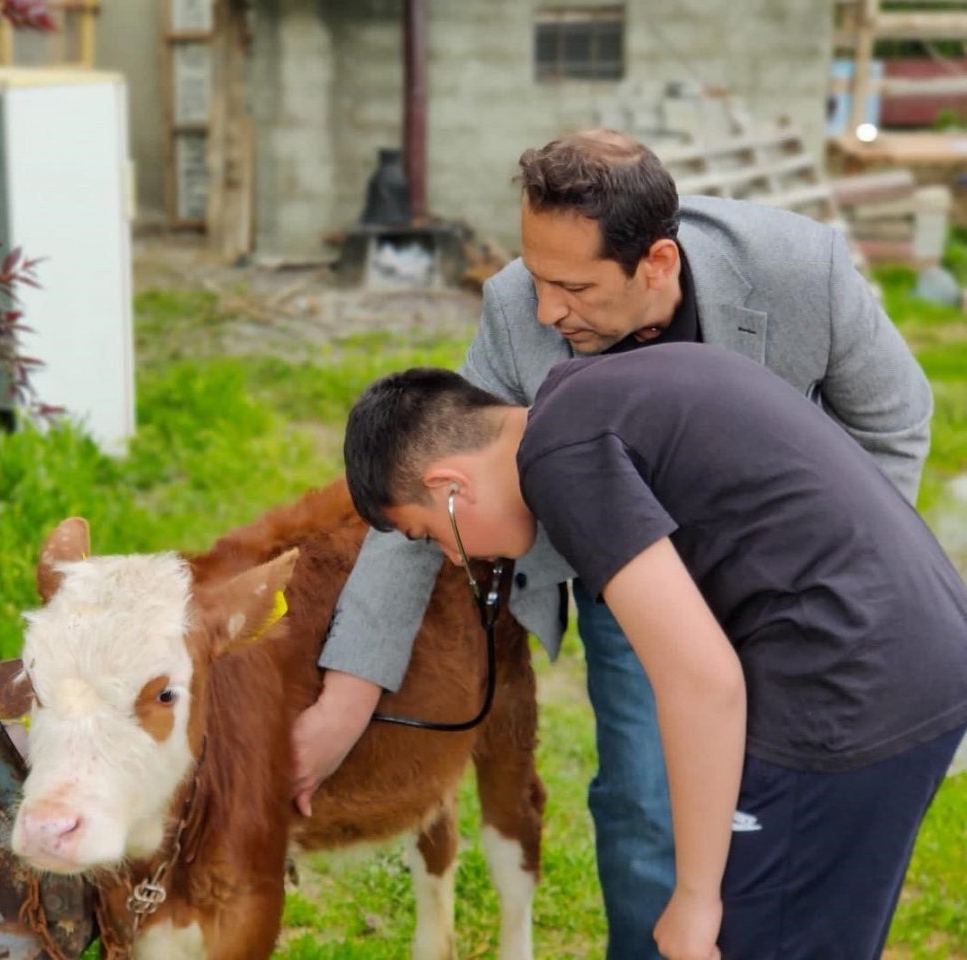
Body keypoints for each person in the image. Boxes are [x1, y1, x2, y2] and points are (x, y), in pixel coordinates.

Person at [292, 129, 933, 958]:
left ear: (657, 264)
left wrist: (850, 579)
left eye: (573, 287)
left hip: (794, 593)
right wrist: (345, 702)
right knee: (644, 805)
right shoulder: (516, 312)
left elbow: (895, 418)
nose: (546, 311)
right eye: (534, 278)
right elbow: (429, 482)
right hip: (627, 586)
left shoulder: (799, 269)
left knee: (776, 808)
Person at [342, 351, 967, 960]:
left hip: (846, 682)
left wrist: (695, 899)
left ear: (450, 488)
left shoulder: (561, 465)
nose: (455, 558)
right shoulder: (586, 396)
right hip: (916, 645)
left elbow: (702, 683)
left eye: (429, 534)